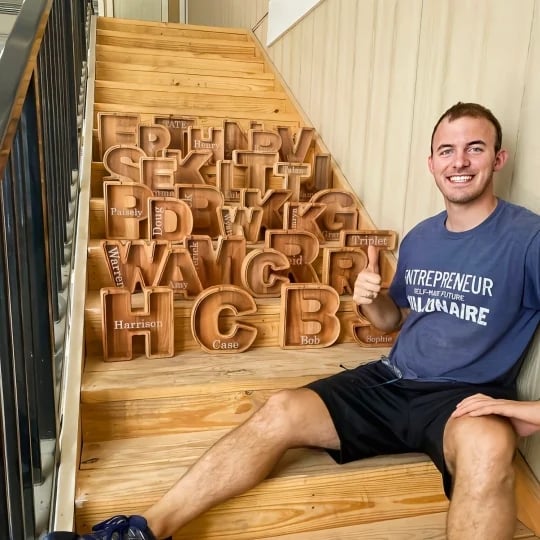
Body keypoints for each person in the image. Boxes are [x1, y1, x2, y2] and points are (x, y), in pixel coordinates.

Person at [46, 102, 540, 540]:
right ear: (431, 163)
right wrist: (369, 300)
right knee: (280, 409)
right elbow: (392, 320)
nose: (459, 162)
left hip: (463, 399)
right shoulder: (421, 238)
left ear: (498, 159)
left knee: (490, 446)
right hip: (391, 380)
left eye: (475, 149)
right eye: (447, 151)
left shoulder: (527, 238)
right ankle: (143, 530)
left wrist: (532, 411)